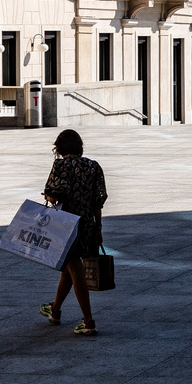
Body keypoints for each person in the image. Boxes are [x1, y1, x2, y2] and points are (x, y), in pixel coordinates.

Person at [40, 129, 107, 336]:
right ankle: (55, 309)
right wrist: (98, 226)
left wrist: (49, 198)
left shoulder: (61, 165)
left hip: (65, 225)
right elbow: (99, 200)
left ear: (60, 148)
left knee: (75, 269)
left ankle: (88, 321)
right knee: (68, 268)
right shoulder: (93, 166)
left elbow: (53, 194)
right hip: (87, 224)